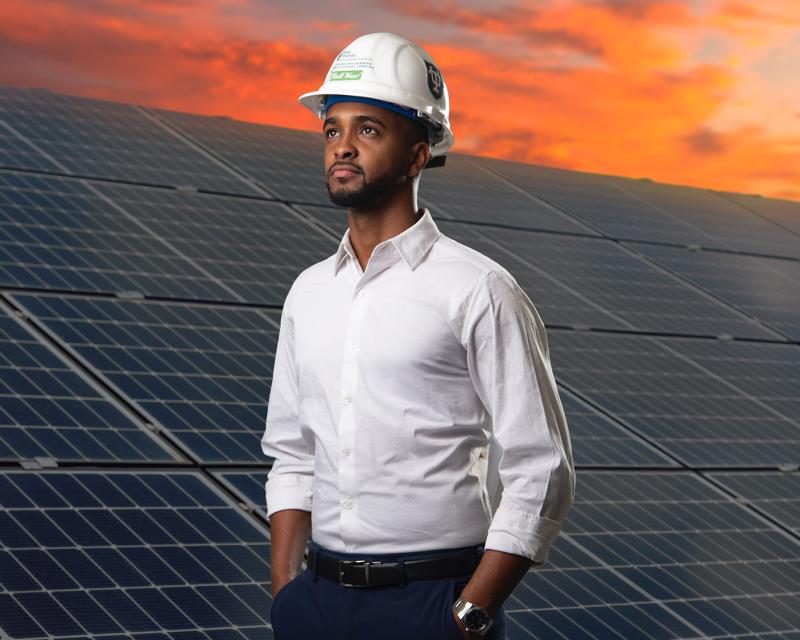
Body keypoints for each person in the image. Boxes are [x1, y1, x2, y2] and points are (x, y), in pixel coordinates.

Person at [261, 32, 575, 640]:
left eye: (368, 129)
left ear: (417, 156)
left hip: (434, 604)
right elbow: (293, 454)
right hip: (316, 605)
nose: (342, 146)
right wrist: (286, 597)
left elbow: (542, 467)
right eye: (332, 130)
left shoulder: (479, 289)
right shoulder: (308, 293)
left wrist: (468, 616)